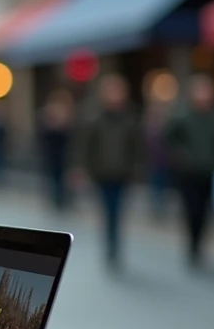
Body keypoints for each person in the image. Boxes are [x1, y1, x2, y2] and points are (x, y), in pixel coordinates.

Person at [73, 75, 142, 269]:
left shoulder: (130, 116)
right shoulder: (94, 116)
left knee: (118, 209)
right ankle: (110, 243)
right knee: (108, 209)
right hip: (101, 172)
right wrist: (80, 168)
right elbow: (84, 145)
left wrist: (138, 167)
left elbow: (138, 145)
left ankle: (115, 244)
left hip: (122, 172)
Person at [166, 74, 214, 268]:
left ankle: (199, 244)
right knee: (191, 210)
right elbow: (169, 137)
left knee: (205, 211)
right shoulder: (183, 116)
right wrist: (180, 155)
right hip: (188, 171)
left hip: (209, 171)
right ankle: (192, 244)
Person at [38, 89, 75, 212]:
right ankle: (57, 199)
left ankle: (65, 198)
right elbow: (43, 136)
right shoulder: (47, 117)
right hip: (52, 155)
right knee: (54, 178)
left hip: (66, 155)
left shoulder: (70, 118)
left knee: (65, 178)